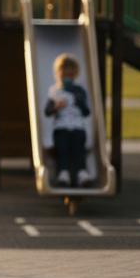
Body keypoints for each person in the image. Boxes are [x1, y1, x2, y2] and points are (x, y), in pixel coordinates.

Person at [44, 53, 91, 186]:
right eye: (64, 75)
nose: (67, 78)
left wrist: (78, 101)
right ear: (58, 74)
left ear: (75, 74)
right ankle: (63, 173)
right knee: (62, 148)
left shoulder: (79, 91)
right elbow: (47, 111)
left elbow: (86, 112)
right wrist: (56, 107)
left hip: (77, 127)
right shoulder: (54, 91)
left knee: (78, 148)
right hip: (61, 127)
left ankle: (82, 172)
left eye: (70, 75)